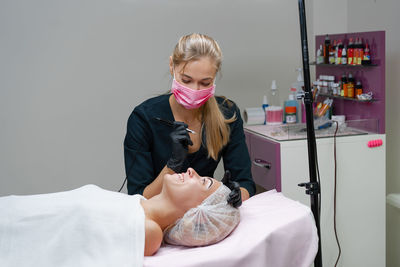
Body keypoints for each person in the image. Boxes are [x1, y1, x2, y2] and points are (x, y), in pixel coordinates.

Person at [0, 168, 239, 267]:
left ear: (200, 213)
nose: (192, 171)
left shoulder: (151, 233)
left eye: (204, 181)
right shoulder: (137, 202)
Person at [124, 33, 256, 206]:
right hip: (161, 216)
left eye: (205, 83)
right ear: (172, 66)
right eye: (186, 80)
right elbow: (139, 198)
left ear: (215, 77)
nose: (194, 90)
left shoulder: (227, 115)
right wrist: (172, 165)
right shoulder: (144, 118)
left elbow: (245, 183)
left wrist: (236, 195)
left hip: (206, 214)